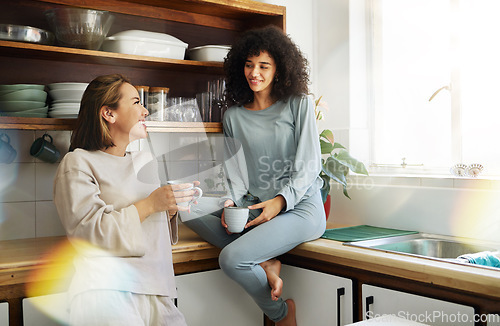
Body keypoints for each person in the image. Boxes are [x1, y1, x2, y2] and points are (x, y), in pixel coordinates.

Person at [184, 26, 326, 325]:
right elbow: (235, 175)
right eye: (249, 64)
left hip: (300, 208)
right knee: (187, 207)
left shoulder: (298, 104)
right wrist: (229, 204)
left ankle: (282, 313)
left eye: (264, 65)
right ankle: (265, 260)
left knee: (232, 259)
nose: (255, 73)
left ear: (280, 69)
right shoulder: (234, 116)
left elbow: (309, 166)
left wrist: (279, 202)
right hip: (257, 209)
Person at [53, 74, 193, 326]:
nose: (146, 111)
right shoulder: (77, 163)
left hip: (156, 287)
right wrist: (151, 204)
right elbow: (89, 234)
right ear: (109, 113)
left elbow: (151, 225)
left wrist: (169, 208)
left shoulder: (143, 161)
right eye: (137, 102)